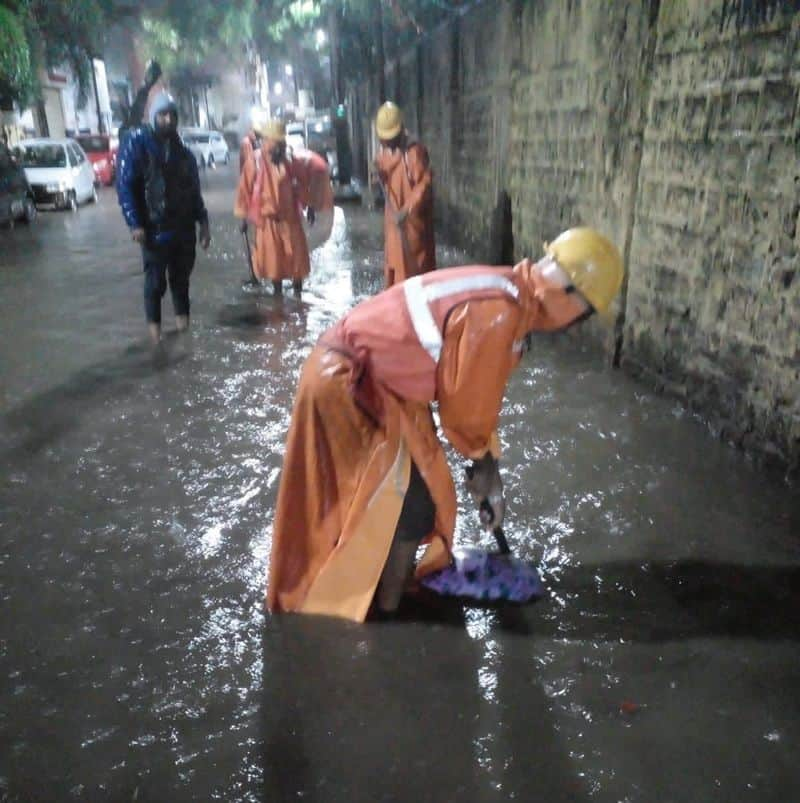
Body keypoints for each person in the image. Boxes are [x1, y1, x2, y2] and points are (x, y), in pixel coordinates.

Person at [267, 227, 624, 622]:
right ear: (571, 298)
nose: (577, 323)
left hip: (375, 383)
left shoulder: (509, 296)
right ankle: (385, 613)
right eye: (586, 314)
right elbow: (465, 415)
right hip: (351, 385)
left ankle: (385, 595)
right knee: (410, 503)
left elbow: (477, 398)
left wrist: (488, 468)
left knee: (413, 498)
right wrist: (485, 469)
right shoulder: (498, 312)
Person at [117, 92, 210, 344]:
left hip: (182, 229)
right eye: (162, 115)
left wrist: (204, 223)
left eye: (171, 115)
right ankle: (156, 343)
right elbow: (125, 185)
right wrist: (134, 222)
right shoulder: (137, 143)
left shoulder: (184, 154)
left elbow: (194, 192)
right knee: (155, 285)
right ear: (153, 117)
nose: (168, 120)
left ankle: (185, 337)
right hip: (153, 229)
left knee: (181, 283)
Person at [233, 119, 310, 296]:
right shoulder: (256, 160)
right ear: (267, 141)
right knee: (275, 269)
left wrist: (309, 206)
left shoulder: (290, 159)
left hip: (291, 220)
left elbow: (302, 184)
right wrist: (244, 218)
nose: (279, 146)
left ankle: (298, 298)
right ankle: (278, 305)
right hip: (268, 223)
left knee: (297, 264)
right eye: (276, 142)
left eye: (281, 142)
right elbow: (245, 190)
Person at [374, 101, 435, 288]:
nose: (385, 142)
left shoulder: (414, 153)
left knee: (414, 280)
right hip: (394, 227)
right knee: (394, 274)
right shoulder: (386, 152)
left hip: (411, 230)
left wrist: (407, 210)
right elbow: (383, 171)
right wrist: (377, 175)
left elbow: (424, 185)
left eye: (389, 139)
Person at [288, 146, 335, 252]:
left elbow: (304, 186)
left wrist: (310, 206)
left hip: (317, 174)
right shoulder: (300, 158)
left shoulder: (296, 162)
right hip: (320, 171)